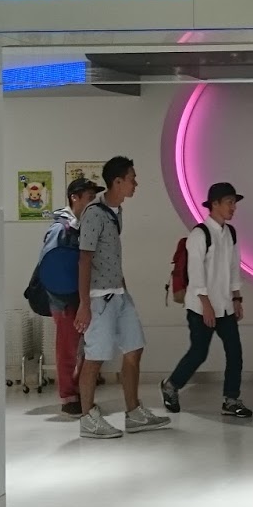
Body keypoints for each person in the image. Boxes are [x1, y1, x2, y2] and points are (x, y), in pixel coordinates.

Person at [73, 156, 171, 439]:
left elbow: (112, 257)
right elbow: (85, 259)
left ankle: (134, 412)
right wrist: (84, 304)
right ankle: (88, 418)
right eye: (132, 178)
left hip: (119, 294)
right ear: (117, 182)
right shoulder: (94, 214)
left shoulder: (116, 213)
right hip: (98, 298)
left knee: (134, 348)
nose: (135, 183)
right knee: (95, 357)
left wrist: (124, 290)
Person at [161, 182, 253, 419]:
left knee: (235, 352)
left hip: (225, 306)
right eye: (229, 202)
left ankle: (231, 399)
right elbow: (196, 274)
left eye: (234, 202)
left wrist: (237, 298)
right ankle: (171, 385)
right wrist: (206, 306)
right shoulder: (199, 235)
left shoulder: (231, 233)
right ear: (215, 204)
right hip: (201, 307)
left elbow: (233, 268)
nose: (233, 207)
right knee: (199, 353)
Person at [44, 177, 103, 416]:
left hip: (81, 298)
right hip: (65, 300)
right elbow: (51, 266)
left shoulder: (82, 226)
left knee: (85, 348)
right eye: (89, 198)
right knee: (67, 350)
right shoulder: (60, 229)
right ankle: (68, 396)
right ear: (74, 198)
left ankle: (78, 389)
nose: (93, 203)